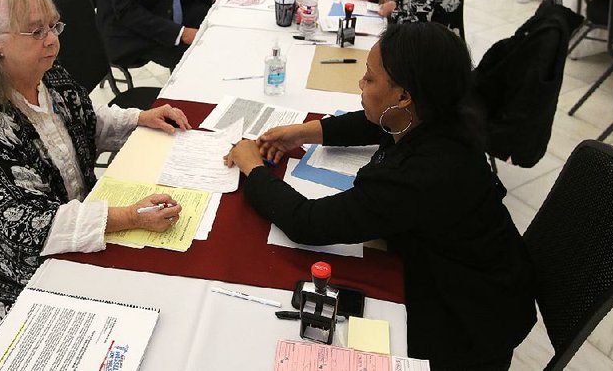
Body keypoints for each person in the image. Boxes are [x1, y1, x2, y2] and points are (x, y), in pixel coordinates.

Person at [0, 0, 188, 370]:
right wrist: (126, 216)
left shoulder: (46, 76)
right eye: (36, 32)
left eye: (54, 26)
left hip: (53, 226)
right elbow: (27, 224)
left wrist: (140, 118)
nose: (52, 39)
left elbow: (83, 121)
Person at [225, 22, 536, 369]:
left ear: (403, 95)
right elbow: (377, 122)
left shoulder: (422, 174)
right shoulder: (437, 113)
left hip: (468, 321)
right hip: (477, 274)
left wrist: (253, 167)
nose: (361, 84)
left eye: (370, 78)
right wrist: (306, 132)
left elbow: (307, 223)